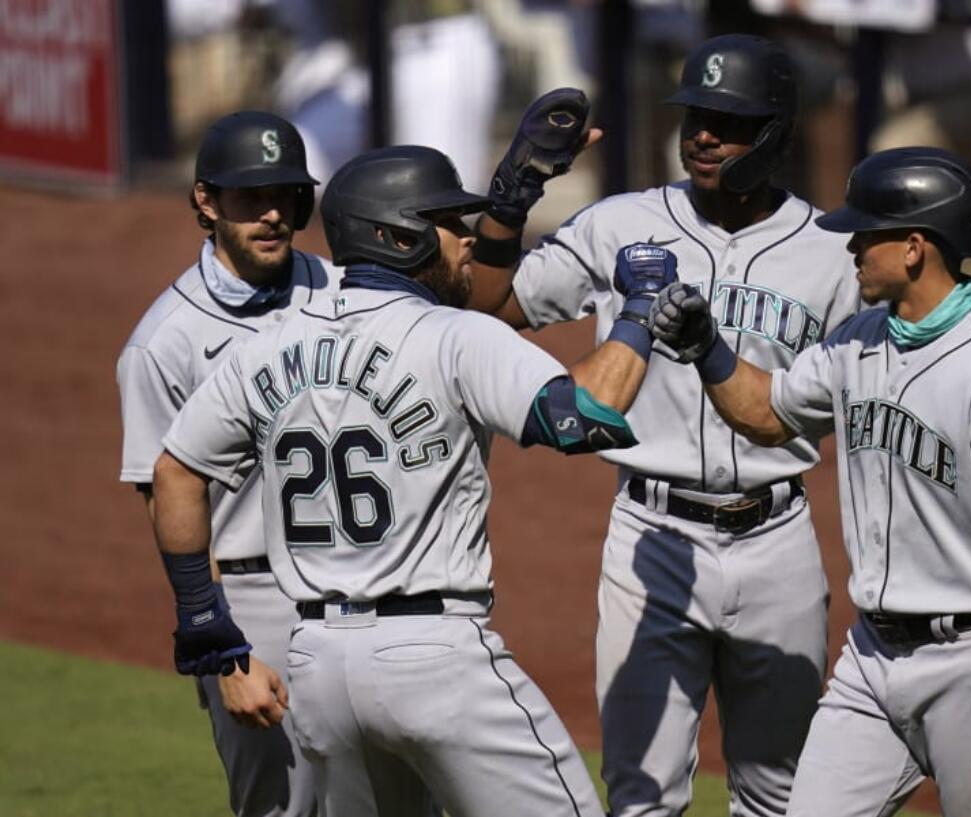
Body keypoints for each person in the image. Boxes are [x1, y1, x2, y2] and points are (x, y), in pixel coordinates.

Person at [147, 144, 677, 817]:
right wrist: (640, 310)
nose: (467, 245)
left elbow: (175, 470)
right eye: (452, 225)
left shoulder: (266, 347)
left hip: (318, 667)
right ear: (400, 235)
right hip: (435, 658)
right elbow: (584, 416)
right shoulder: (452, 335)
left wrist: (204, 620)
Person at [468, 34, 862, 817]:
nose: (703, 135)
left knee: (779, 795)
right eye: (695, 118)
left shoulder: (835, 253)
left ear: (775, 133)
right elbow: (492, 305)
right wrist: (510, 201)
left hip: (777, 542)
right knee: (641, 794)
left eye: (728, 121)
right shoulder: (619, 224)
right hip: (651, 540)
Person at [649, 146, 971, 817]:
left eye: (864, 235)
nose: (850, 249)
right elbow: (767, 412)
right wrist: (709, 348)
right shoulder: (858, 340)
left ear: (913, 248)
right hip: (870, 662)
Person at [117, 110, 335, 817]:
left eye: (287, 196)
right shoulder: (164, 344)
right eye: (250, 198)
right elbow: (166, 499)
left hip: (367, 584)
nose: (273, 215)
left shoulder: (340, 293)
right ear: (205, 202)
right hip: (253, 600)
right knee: (283, 808)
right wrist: (224, 650)